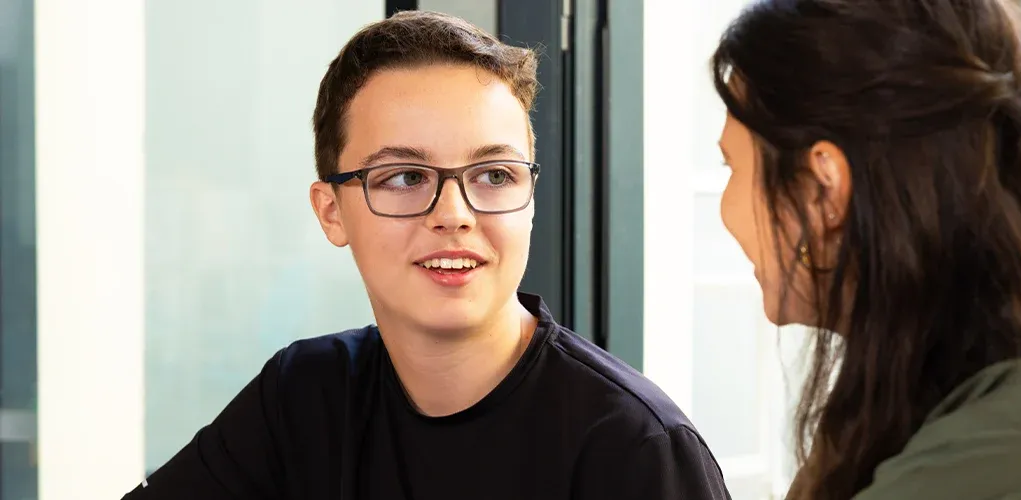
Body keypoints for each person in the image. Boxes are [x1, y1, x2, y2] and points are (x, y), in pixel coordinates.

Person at [123, 11, 730, 500]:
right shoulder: (304, 397)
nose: (455, 213)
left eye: (494, 174)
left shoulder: (634, 448)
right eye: (405, 177)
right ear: (331, 210)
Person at [711, 1, 1021, 499]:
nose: (726, 211)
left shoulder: (1018, 447)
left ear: (823, 187)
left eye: (733, 166)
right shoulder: (951, 399)